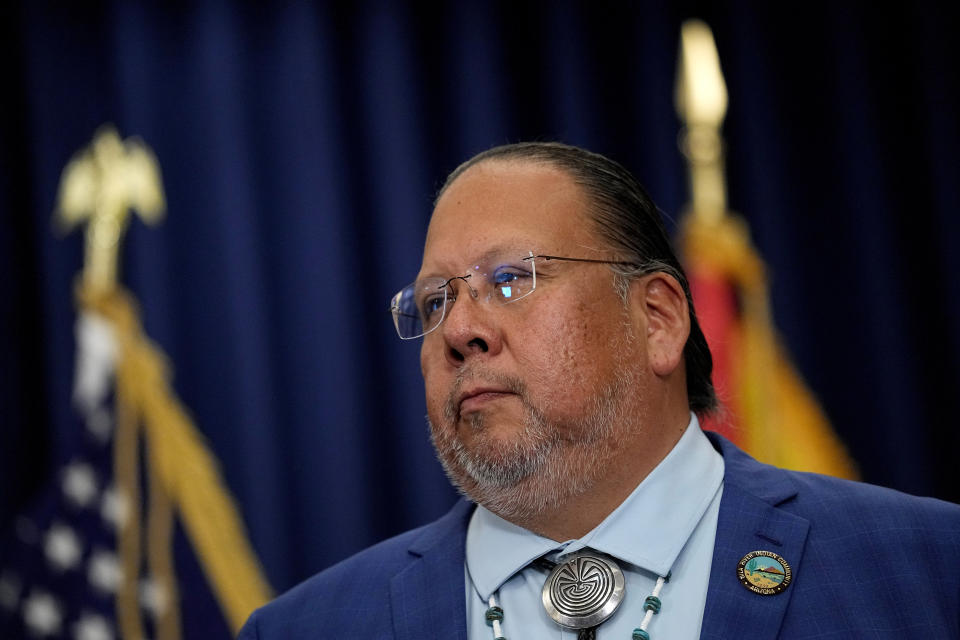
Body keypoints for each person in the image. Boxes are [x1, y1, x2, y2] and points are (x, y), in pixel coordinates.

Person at [239, 142, 960, 639]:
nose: (459, 329)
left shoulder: (926, 567)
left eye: (509, 280)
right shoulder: (308, 627)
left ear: (657, 319)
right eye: (434, 302)